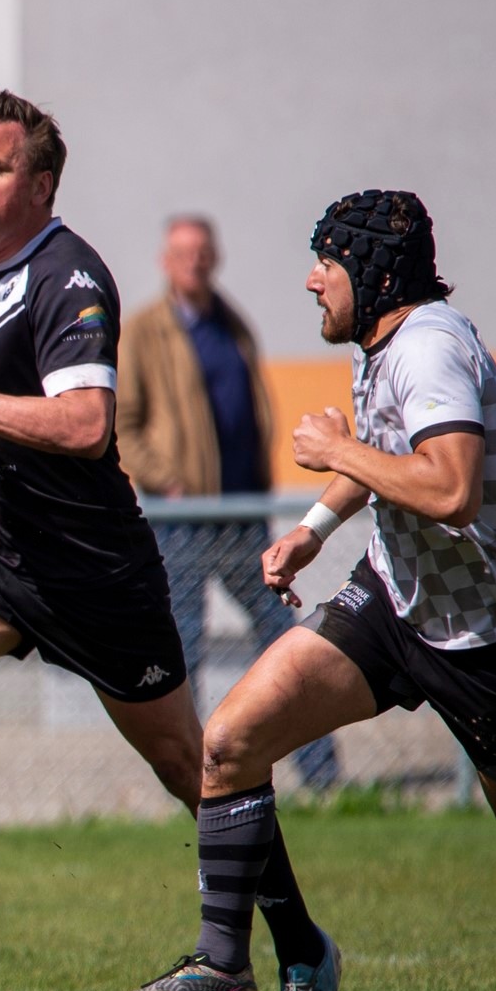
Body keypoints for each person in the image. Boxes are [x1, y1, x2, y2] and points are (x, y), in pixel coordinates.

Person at [105, 190, 496, 991]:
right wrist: (311, 529)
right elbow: (382, 457)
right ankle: (234, 964)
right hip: (394, 602)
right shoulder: (384, 343)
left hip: (492, 640)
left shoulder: (432, 349)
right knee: (229, 742)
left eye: (324, 262)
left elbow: (448, 488)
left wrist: (333, 451)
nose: (309, 280)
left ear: (369, 272)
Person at [0, 89, 327, 991]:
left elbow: (87, 423)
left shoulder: (72, 279)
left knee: (196, 767)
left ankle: (300, 953)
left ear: (42, 185)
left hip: (91, 570)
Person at [117, 216, 339, 787]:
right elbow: (124, 423)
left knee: (283, 640)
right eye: (182, 254)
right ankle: (193, 778)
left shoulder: (230, 321)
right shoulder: (144, 332)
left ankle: (321, 778)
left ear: (213, 258)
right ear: (166, 262)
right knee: (186, 648)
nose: (194, 262)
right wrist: (166, 481)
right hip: (183, 522)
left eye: (202, 253)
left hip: (242, 521)